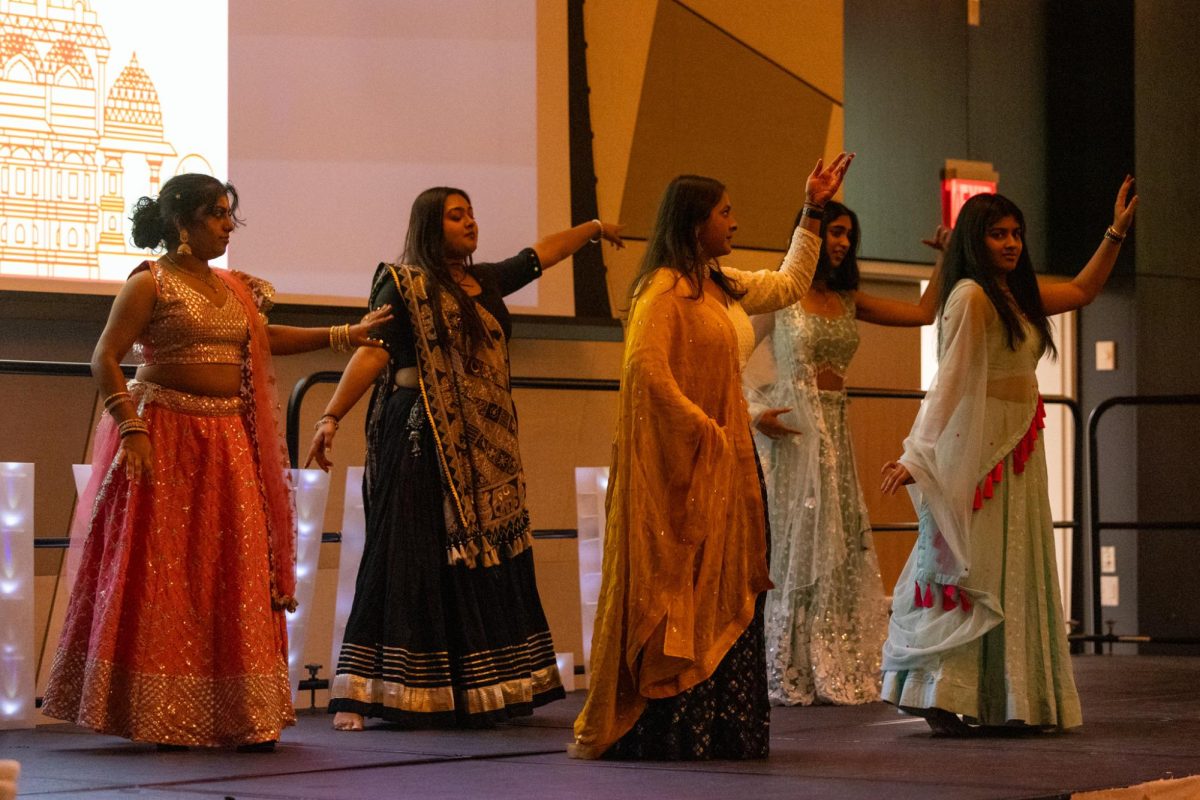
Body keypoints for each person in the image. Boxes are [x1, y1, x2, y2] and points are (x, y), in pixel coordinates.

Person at [41, 173, 390, 749]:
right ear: (181, 222)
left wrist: (345, 333)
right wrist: (130, 427)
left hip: (228, 441)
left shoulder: (234, 287)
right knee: (167, 570)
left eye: (231, 214)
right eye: (217, 214)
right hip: (165, 434)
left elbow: (261, 338)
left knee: (232, 568)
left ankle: (237, 711)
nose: (229, 224)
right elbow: (104, 356)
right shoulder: (149, 283)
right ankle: (163, 710)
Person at [570, 153, 854, 761]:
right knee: (682, 590)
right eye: (724, 212)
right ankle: (670, 726)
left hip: (728, 467)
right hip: (685, 471)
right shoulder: (662, 291)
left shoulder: (720, 284)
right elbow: (646, 371)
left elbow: (789, 284)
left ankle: (724, 726)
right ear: (694, 221)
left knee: (729, 587)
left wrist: (812, 209)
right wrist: (703, 426)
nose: (733, 221)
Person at [307, 187, 624, 730]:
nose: (470, 223)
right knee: (407, 552)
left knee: (482, 557)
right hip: (422, 438)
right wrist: (329, 417)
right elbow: (371, 351)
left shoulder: (489, 281)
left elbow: (542, 253)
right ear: (432, 226)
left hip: (489, 449)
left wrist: (592, 229)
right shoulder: (404, 284)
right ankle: (363, 694)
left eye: (472, 213)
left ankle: (479, 691)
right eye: (457, 216)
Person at [879, 178, 1138, 734]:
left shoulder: (1014, 295)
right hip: (981, 448)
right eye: (998, 234)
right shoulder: (971, 296)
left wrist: (1115, 231)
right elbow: (949, 381)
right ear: (977, 240)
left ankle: (1007, 698)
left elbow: (1085, 290)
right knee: (978, 567)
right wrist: (917, 454)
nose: (1011, 243)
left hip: (1017, 446)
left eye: (1017, 233)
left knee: (1014, 566)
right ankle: (945, 694)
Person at [746, 204, 946, 706]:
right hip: (794, 431)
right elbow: (732, 354)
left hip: (835, 428)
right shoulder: (782, 295)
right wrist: (754, 413)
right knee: (797, 544)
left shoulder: (847, 298)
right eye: (834, 231)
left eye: (848, 236)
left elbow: (923, 314)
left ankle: (832, 657)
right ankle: (789, 661)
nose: (841, 242)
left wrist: (947, 259)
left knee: (838, 541)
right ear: (811, 233)